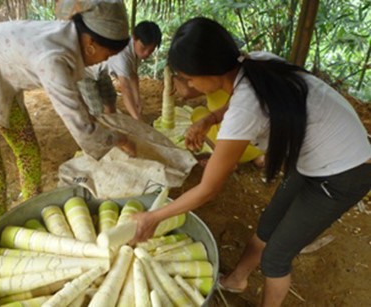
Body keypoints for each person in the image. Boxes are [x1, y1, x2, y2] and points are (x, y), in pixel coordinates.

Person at [131, 17, 371, 307]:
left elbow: (208, 189)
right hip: (321, 154)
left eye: (186, 77)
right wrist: (210, 117)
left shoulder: (246, 108)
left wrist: (153, 217)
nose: (186, 85)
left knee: (276, 257)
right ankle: (236, 280)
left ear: (207, 70)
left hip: (346, 170)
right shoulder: (253, 63)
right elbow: (236, 101)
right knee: (269, 223)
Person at [0, 1, 136, 228]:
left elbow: (76, 101)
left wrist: (95, 121)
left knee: (29, 152)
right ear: (91, 43)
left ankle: (32, 212)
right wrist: (120, 139)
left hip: (1, 81)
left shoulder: (69, 36)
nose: (106, 61)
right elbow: (83, 131)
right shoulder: (52, 58)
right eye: (108, 55)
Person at [172, 73, 265, 167]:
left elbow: (186, 92)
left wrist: (176, 76)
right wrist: (209, 120)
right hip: (258, 142)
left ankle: (227, 158)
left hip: (235, 149)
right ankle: (260, 154)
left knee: (198, 114)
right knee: (199, 113)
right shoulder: (241, 78)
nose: (191, 84)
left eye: (191, 80)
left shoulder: (241, 100)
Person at [78, 21, 162, 120]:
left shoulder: (136, 51)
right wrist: (137, 118)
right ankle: (95, 132)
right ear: (134, 38)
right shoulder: (122, 55)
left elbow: (133, 75)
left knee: (110, 102)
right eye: (144, 48)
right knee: (96, 111)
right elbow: (125, 88)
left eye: (151, 50)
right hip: (85, 71)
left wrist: (137, 99)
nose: (146, 53)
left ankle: (114, 130)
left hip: (102, 71)